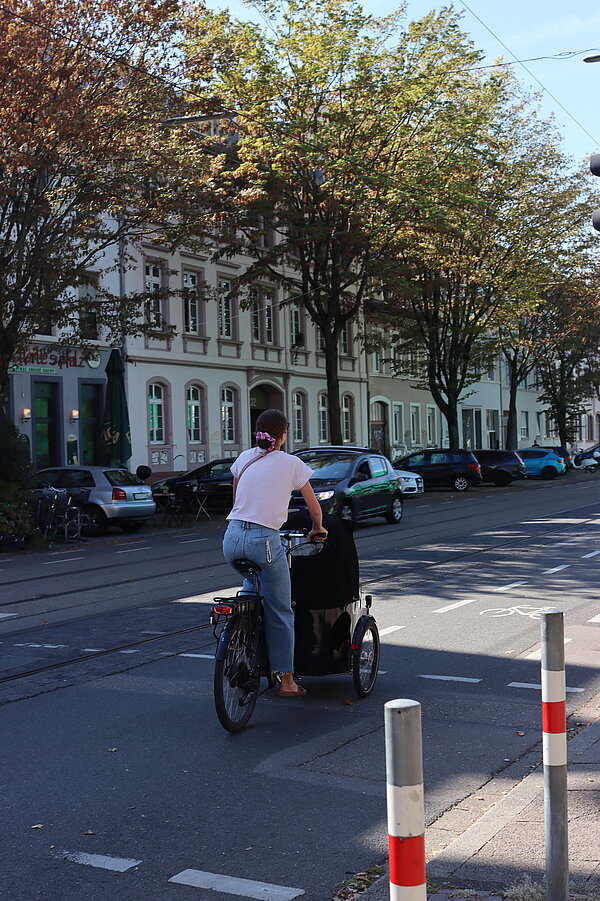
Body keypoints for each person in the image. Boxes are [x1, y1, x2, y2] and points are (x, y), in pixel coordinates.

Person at [222, 409, 327, 697]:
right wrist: (317, 528)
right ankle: (287, 681)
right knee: (280, 611)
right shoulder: (292, 463)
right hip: (264, 541)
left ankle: (239, 638)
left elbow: (237, 499)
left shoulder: (244, 458)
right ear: (282, 435)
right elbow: (313, 507)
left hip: (231, 538)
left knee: (252, 586)